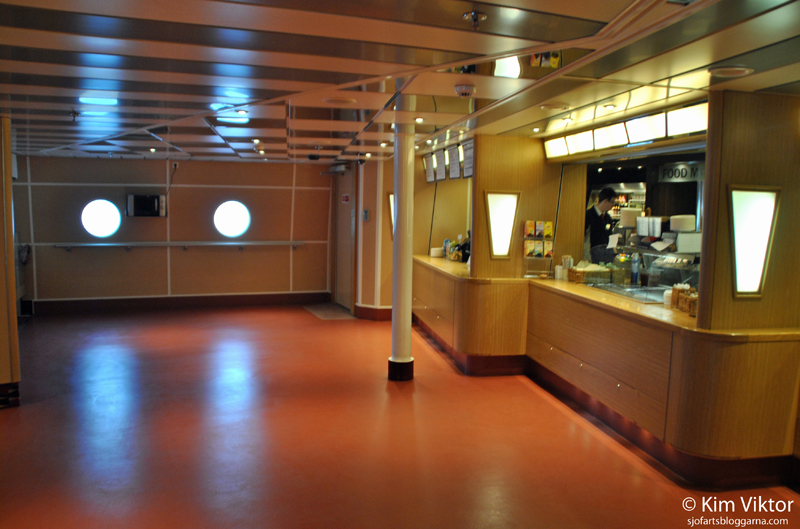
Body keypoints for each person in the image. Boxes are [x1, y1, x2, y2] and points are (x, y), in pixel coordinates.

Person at [585, 187, 618, 263]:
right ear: (605, 201)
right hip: (591, 258)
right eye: (612, 202)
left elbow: (610, 235)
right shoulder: (588, 215)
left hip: (606, 257)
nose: (613, 205)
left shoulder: (608, 217)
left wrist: (613, 252)